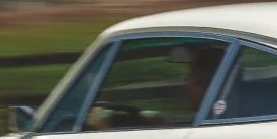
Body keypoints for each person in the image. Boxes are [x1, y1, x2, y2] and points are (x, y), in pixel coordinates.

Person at [86, 42, 226, 131]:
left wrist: (105, 124)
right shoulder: (225, 115)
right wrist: (155, 121)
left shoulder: (215, 124)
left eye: (190, 74)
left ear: (203, 82)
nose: (186, 80)